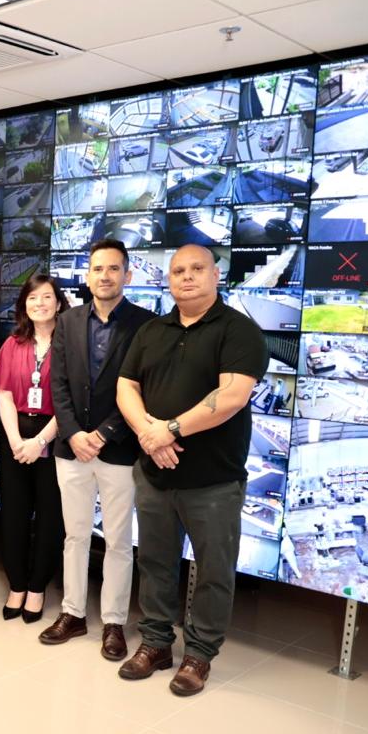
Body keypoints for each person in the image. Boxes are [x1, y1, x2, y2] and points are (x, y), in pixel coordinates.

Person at [116, 244, 268, 696]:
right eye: (178, 270)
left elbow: (233, 396)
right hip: (155, 473)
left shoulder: (239, 331)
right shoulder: (151, 331)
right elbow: (127, 386)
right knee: (156, 563)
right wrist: (149, 433)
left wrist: (170, 430)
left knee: (214, 570)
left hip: (213, 481)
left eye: (196, 269)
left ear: (216, 275)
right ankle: (157, 644)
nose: (186, 277)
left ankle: (199, 655)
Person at [38, 239, 156, 659]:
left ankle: (113, 623)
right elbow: (59, 385)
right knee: (74, 536)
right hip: (72, 449)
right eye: (97, 269)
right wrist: (72, 434)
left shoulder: (146, 325)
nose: (104, 276)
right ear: (87, 276)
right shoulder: (67, 322)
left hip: (119, 450)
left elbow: (145, 390)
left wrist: (105, 434)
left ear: (128, 275)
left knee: (120, 541)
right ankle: (72, 613)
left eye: (113, 269)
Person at [0, 274, 69, 623]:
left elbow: (69, 401)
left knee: (51, 516)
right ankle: (17, 585)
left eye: (47, 297)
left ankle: (37, 588)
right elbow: (4, 395)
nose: (40, 303)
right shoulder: (14, 343)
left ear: (58, 302)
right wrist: (14, 441)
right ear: (24, 303)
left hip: (54, 434)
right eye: (33, 298)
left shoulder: (69, 344)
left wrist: (39, 441)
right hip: (15, 434)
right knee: (14, 515)